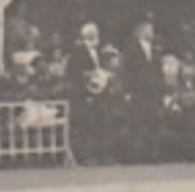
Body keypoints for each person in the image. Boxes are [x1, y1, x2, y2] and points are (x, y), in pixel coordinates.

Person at [65, 22, 115, 165]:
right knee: (87, 126)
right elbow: (72, 73)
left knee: (102, 124)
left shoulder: (100, 53)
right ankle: (87, 157)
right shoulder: (77, 54)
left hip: (100, 93)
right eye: (92, 34)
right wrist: (88, 75)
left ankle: (103, 155)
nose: (95, 37)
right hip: (84, 93)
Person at [121, 16, 166, 163]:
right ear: (141, 31)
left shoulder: (156, 50)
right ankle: (136, 156)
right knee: (138, 123)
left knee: (154, 122)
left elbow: (159, 72)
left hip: (153, 92)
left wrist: (162, 91)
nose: (152, 32)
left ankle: (153, 154)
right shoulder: (131, 49)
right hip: (138, 92)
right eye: (149, 29)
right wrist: (127, 91)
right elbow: (127, 71)